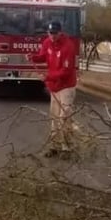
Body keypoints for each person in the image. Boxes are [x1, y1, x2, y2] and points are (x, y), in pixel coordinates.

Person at [28, 21, 78, 156]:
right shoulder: (47, 43)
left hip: (66, 86)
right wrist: (34, 58)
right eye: (50, 33)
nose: (52, 36)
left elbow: (66, 71)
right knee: (54, 117)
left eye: (55, 33)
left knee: (64, 117)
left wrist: (48, 77)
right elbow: (43, 56)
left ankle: (67, 147)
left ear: (60, 32)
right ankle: (54, 146)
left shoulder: (68, 46)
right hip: (54, 86)